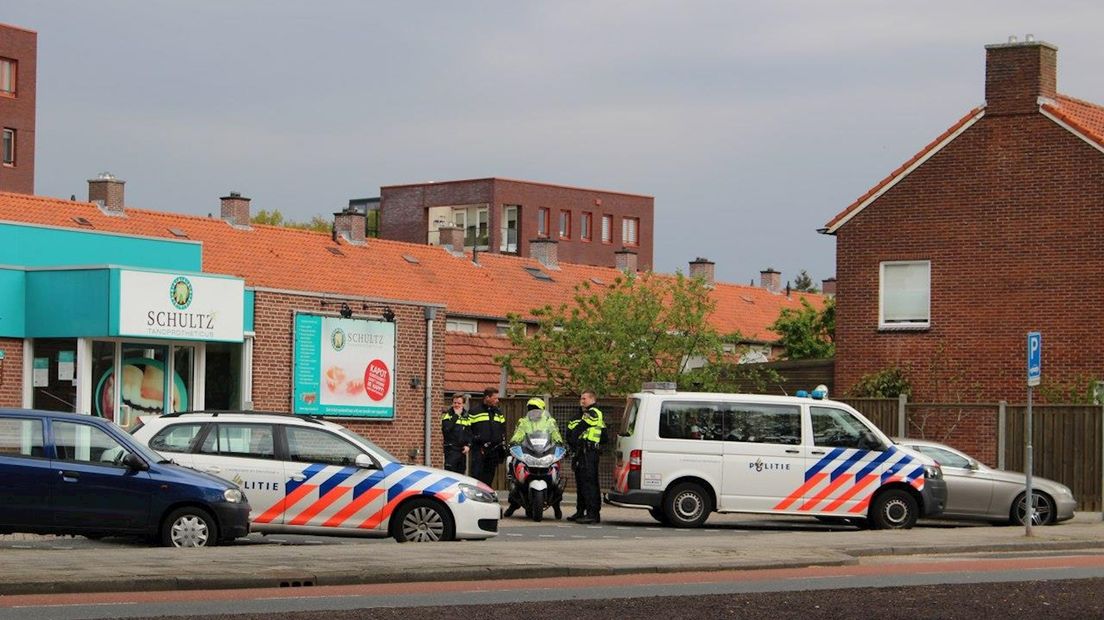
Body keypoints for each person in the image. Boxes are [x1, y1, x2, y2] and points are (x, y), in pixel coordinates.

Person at [504, 397, 563, 517]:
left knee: (556, 471)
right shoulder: (524, 421)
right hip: (529, 450)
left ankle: (557, 506)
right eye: (531, 409)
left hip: (545, 450)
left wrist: (559, 442)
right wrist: (513, 442)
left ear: (542, 409)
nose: (534, 411)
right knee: (512, 461)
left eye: (536, 409)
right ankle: (513, 504)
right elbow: (519, 433)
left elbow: (555, 433)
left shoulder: (549, 421)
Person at [567, 390, 605, 524]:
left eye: (584, 399)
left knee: (590, 484)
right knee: (582, 483)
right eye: (581, 398)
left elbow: (580, 428)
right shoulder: (588, 413)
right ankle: (581, 511)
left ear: (592, 399)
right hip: (583, 452)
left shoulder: (594, 413)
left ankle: (592, 514)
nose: (582, 401)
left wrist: (574, 438)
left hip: (589, 453)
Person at [468, 387, 506, 487]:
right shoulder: (474, 411)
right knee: (476, 476)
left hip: (493, 451)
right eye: (495, 398)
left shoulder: (498, 412)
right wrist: (475, 442)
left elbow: (503, 430)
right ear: (487, 397)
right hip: (479, 450)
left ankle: (487, 497)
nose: (497, 400)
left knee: (489, 477)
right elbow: (468, 431)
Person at [440, 394, 471, 474]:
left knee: (461, 474)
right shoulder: (447, 415)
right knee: (450, 474)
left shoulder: (466, 416)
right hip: (451, 449)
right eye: (455, 403)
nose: (456, 405)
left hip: (462, 450)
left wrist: (468, 445)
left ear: (463, 404)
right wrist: (456, 416)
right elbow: (446, 429)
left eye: (459, 403)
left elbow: (469, 433)